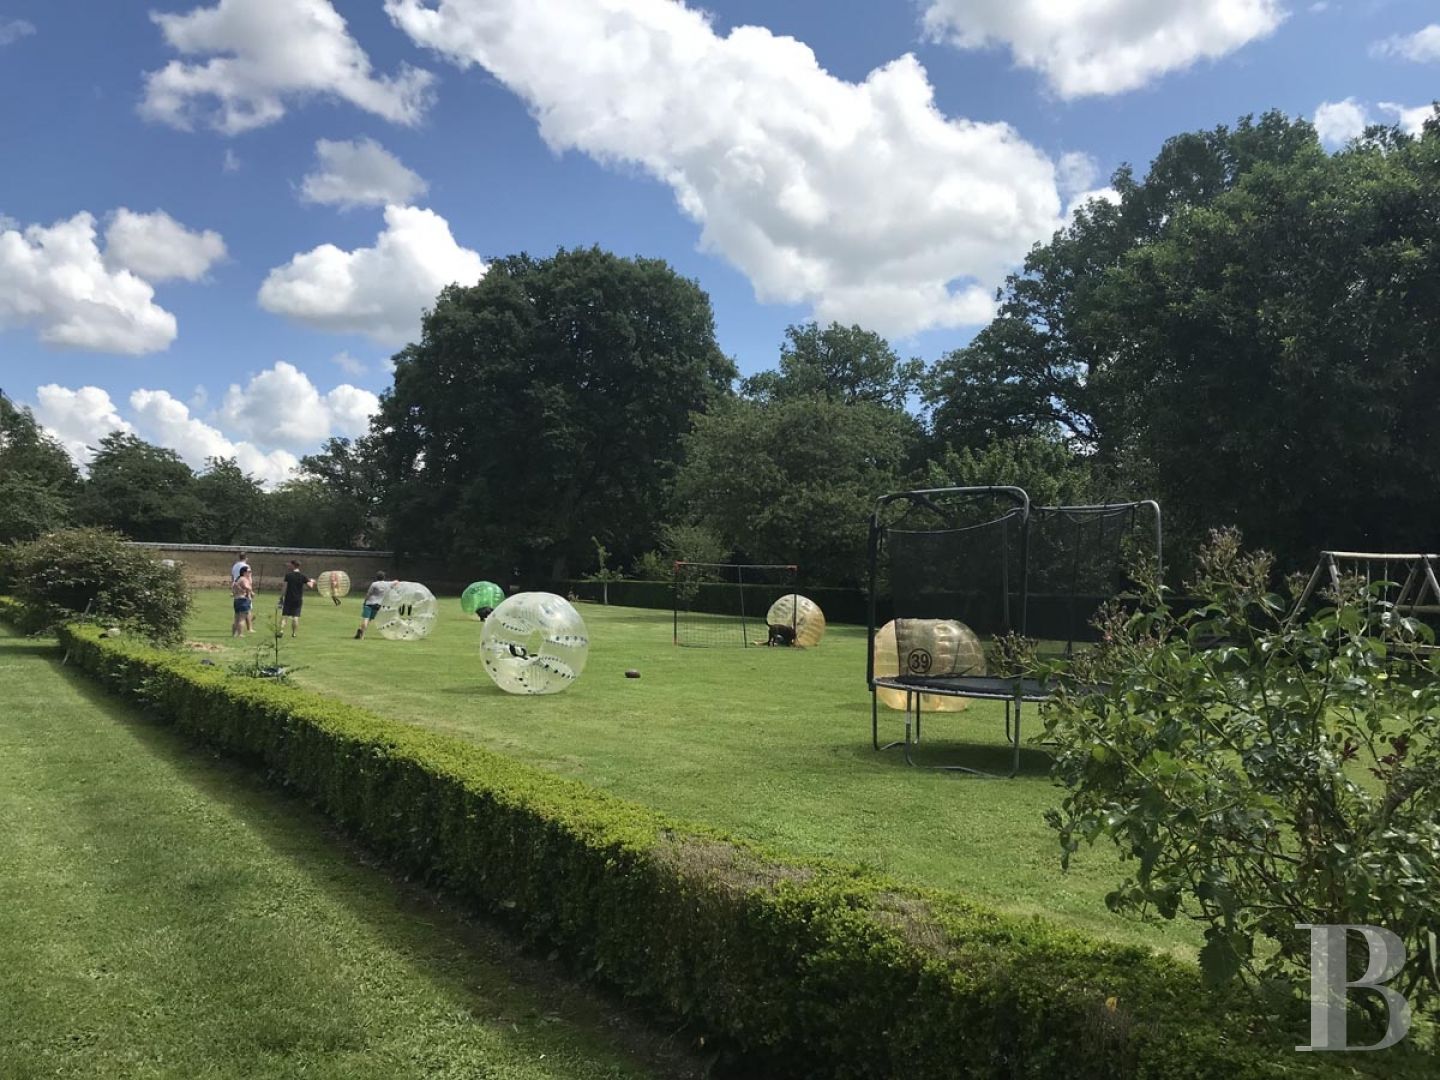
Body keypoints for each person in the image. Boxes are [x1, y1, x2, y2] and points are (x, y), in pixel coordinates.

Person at [279, 559, 316, 638]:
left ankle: (281, 631)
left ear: (293, 565)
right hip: (298, 599)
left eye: (290, 565)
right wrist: (312, 581)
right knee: (295, 617)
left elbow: (284, 587)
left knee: (285, 615)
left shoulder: (288, 575)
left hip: (288, 598)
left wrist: (281, 597)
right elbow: (310, 586)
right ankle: (294, 633)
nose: (289, 566)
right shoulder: (303, 576)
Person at [354, 572, 392, 639]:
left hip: (369, 603)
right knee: (369, 620)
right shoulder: (387, 584)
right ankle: (360, 630)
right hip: (377, 605)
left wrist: (365, 601)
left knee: (365, 619)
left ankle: (361, 635)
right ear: (384, 577)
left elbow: (368, 593)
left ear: (377, 577)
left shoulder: (374, 584)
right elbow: (395, 582)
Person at [230, 566, 254, 638]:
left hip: (236, 600)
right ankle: (240, 634)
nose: (250, 573)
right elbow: (247, 587)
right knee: (242, 618)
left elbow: (233, 588)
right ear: (244, 572)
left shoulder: (237, 579)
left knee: (236, 618)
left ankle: (234, 634)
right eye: (248, 572)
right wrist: (251, 591)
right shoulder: (244, 579)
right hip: (243, 600)